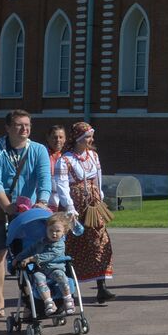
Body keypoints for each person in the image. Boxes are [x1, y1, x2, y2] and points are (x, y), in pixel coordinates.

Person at [0, 110, 51, 318]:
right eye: (20, 125)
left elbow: (44, 178)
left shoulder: (38, 150)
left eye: (28, 125)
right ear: (8, 128)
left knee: (27, 256)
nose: (25, 129)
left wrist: (42, 202)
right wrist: (6, 206)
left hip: (27, 212)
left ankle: (32, 300)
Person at [51, 122, 116, 303]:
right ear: (78, 138)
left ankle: (102, 287)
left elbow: (98, 179)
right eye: (87, 137)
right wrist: (70, 207)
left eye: (91, 136)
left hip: (93, 205)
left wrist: (99, 197)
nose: (91, 140)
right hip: (74, 206)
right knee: (73, 245)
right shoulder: (65, 160)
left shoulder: (93, 156)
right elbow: (62, 186)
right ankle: (69, 290)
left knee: (100, 241)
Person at [16, 211, 76, 315]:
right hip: (41, 269)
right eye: (51, 230)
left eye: (57, 231)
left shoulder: (60, 244)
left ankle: (68, 299)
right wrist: (18, 258)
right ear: (46, 229)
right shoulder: (41, 241)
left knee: (60, 275)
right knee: (37, 277)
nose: (54, 233)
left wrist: (32, 259)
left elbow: (49, 255)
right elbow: (30, 249)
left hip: (55, 268)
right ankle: (48, 302)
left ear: (64, 232)